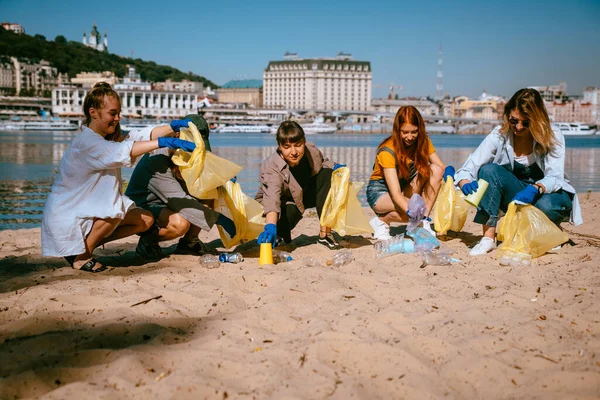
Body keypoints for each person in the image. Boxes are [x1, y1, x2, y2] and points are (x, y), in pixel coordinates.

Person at [41, 82, 197, 272]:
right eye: (112, 113)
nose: (117, 118)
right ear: (93, 112)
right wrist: (162, 142)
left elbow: (139, 135)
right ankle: (81, 257)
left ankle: (81, 247)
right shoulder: (87, 141)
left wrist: (172, 126)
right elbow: (122, 151)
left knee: (145, 220)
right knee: (113, 209)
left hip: (85, 208)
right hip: (68, 214)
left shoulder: (108, 136)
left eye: (118, 113)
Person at [453, 88, 583, 256]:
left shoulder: (553, 135)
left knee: (546, 206)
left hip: (546, 195)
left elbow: (556, 177)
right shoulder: (500, 134)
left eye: (525, 123)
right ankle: (488, 238)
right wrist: (464, 181)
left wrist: (537, 188)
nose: (518, 127)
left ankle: (548, 230)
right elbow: (470, 166)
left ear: (537, 119)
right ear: (508, 115)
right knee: (488, 170)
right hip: (515, 198)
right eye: (514, 121)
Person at [124, 114, 236, 256]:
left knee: (211, 191)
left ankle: (189, 242)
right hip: (145, 206)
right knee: (180, 224)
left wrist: (223, 178)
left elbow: (204, 177)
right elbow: (179, 199)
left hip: (168, 202)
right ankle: (148, 241)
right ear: (177, 136)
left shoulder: (184, 152)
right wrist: (218, 219)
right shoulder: (157, 159)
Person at [255, 120, 346, 250]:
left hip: (303, 194)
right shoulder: (272, 167)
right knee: (289, 215)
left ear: (304, 141)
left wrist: (336, 167)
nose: (293, 152)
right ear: (280, 146)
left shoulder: (311, 151)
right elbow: (272, 197)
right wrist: (270, 226)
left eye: (298, 145)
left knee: (327, 175)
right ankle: (279, 233)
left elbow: (322, 163)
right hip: (283, 202)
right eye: (287, 147)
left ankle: (325, 235)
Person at [367, 105, 453, 240]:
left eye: (414, 132)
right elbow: (395, 194)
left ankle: (423, 221)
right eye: (405, 132)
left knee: (436, 170)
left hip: (405, 186)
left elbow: (440, 166)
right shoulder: (387, 151)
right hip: (381, 192)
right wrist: (412, 212)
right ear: (397, 130)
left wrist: (452, 175)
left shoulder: (423, 142)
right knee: (413, 213)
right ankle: (382, 220)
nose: (410, 137)